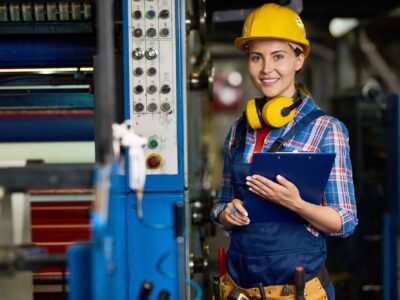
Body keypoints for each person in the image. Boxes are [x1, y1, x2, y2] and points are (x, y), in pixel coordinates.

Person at [211, 3, 358, 299]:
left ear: (299, 58)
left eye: (278, 56)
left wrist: (295, 203)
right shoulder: (239, 131)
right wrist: (227, 214)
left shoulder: (327, 129)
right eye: (257, 57)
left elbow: (345, 220)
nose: (266, 70)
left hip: (299, 291)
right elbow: (220, 205)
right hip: (240, 289)